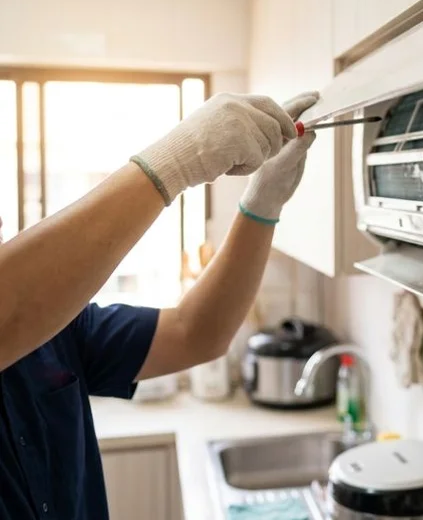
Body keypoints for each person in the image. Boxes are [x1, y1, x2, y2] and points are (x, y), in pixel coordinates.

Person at [0, 90, 319, 520]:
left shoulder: (59, 324)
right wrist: (177, 160)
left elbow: (196, 332)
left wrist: (261, 205)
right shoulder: (17, 312)